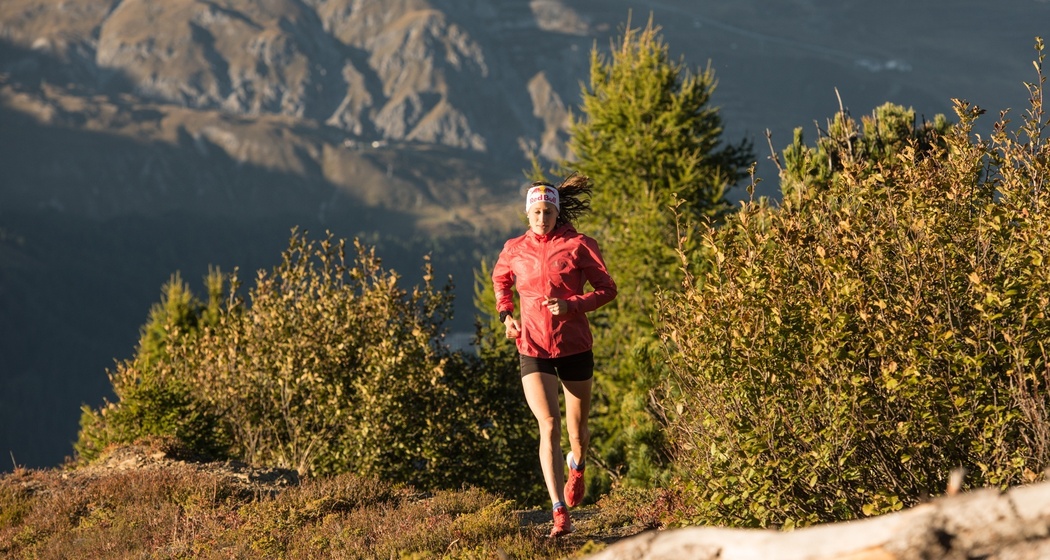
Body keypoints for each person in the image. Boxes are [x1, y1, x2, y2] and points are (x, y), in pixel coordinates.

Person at [491, 174, 617, 538]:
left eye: (547, 211)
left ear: (556, 213)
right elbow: (501, 281)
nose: (541, 217)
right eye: (536, 211)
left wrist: (572, 305)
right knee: (548, 425)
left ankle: (577, 466)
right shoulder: (514, 248)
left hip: (575, 346)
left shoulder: (579, 245)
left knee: (577, 433)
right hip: (533, 348)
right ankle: (559, 511)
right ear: (527, 213)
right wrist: (507, 315)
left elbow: (607, 289)